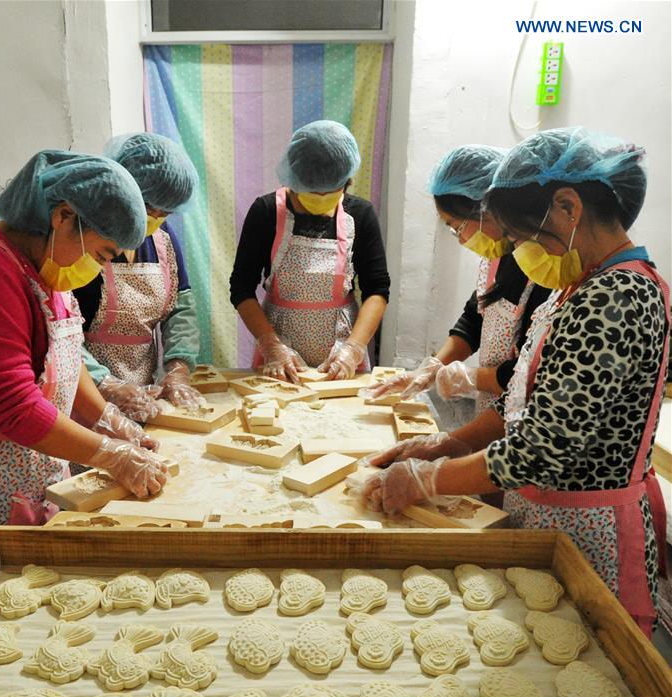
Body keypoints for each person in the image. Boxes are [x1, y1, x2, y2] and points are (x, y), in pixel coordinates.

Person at [363, 128, 669, 637]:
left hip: (589, 534)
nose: (521, 252)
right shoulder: (575, 288)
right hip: (545, 518)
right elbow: (521, 404)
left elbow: (543, 450)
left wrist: (428, 479)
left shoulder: (618, 297)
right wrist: (450, 442)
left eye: (527, 237)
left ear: (568, 208)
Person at [0, 150, 172, 580]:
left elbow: (66, 362)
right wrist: (110, 455)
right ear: (64, 217)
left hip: (27, 474)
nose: (101, 268)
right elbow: (10, 405)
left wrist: (109, 422)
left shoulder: (44, 268)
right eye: (104, 254)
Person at [366, 145, 553, 413]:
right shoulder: (496, 258)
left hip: (522, 412)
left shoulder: (544, 269)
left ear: (486, 209)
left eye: (457, 227)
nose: (462, 240)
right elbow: (474, 320)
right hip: (492, 406)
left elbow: (530, 368)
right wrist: (431, 369)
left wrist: (468, 378)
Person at [230, 120, 390, 382]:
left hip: (341, 354)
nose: (319, 199)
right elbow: (241, 287)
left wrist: (353, 349)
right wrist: (271, 346)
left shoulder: (360, 214)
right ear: (293, 180)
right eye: (309, 194)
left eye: (329, 194)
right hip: (280, 356)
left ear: (346, 182)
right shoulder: (266, 212)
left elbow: (377, 290)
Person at [79, 132, 201, 417]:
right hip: (84, 393)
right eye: (147, 208)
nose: (154, 219)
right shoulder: (86, 240)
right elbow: (61, 332)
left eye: (165, 213)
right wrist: (105, 384)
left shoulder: (163, 239)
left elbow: (180, 309)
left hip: (144, 392)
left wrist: (178, 368)